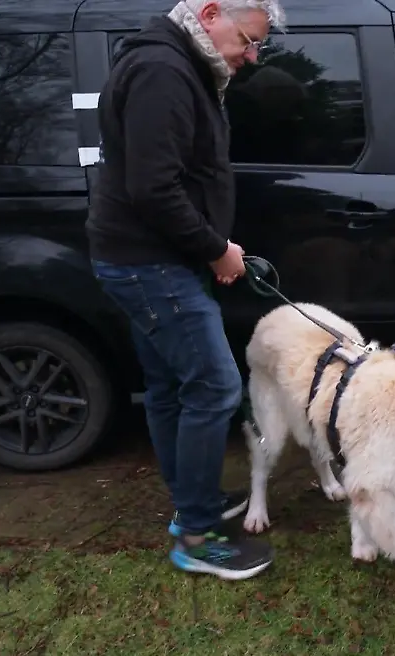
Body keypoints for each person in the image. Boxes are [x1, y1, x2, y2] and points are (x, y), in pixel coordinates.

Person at [85, 0, 287, 581]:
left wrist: (208, 246)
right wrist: (215, 248)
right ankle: (197, 538)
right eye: (249, 40)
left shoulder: (181, 63)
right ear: (211, 11)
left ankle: (189, 507)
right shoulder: (163, 72)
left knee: (171, 387)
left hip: (153, 258)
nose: (251, 56)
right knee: (215, 388)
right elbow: (154, 189)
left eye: (257, 46)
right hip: (151, 265)